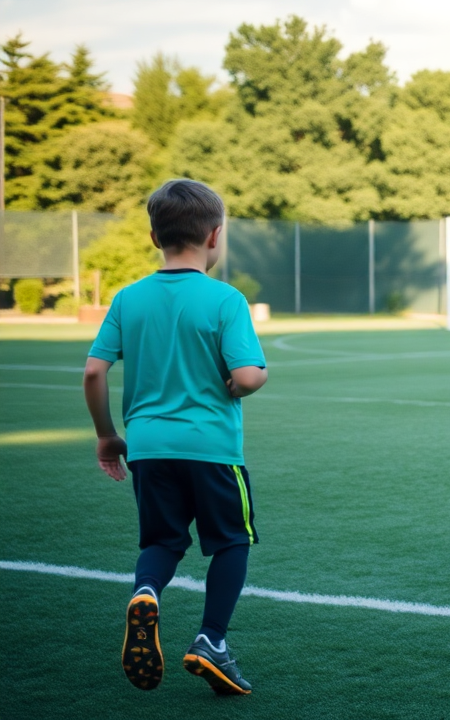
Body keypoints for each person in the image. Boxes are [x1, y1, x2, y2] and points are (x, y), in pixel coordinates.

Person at [83, 179, 268, 695]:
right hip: (212, 448)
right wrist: (245, 380)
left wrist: (106, 437)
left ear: (153, 236)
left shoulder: (129, 298)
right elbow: (249, 375)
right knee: (231, 540)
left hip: (147, 448)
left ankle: (146, 591)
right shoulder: (225, 299)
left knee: (163, 540)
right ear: (215, 236)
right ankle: (211, 640)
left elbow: (94, 372)